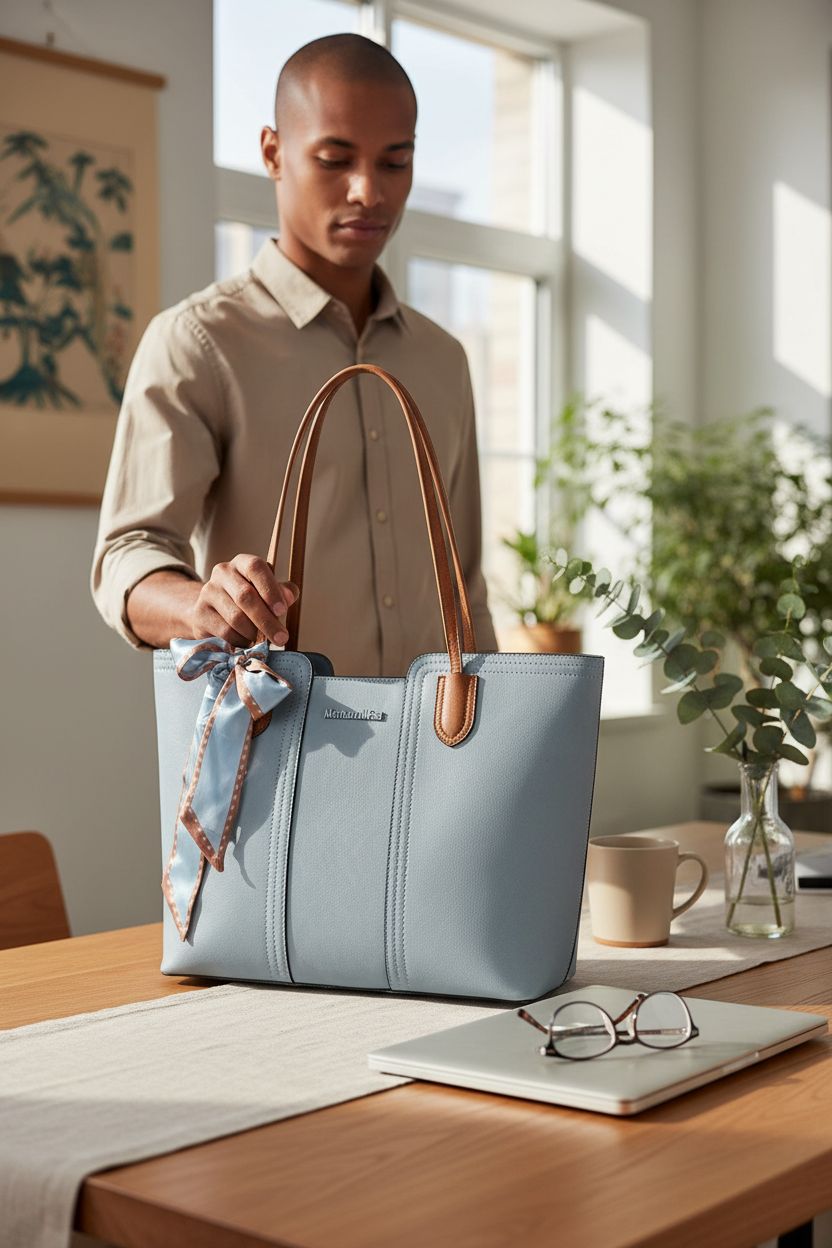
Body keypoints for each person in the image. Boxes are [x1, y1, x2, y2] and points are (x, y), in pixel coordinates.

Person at [91, 33, 497, 676]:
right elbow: (126, 559)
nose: (369, 191)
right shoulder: (199, 343)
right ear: (273, 154)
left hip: (438, 754)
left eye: (395, 162)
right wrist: (203, 604)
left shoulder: (443, 359)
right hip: (277, 754)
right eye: (336, 160)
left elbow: (466, 586)